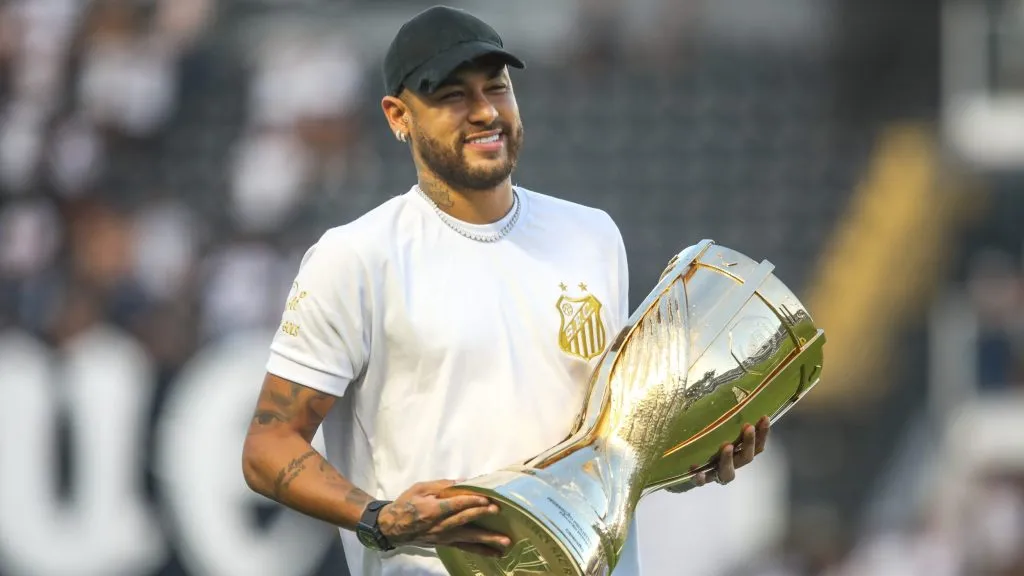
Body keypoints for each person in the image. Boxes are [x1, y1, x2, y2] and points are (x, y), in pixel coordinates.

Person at [240, 6, 770, 576]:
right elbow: (268, 447)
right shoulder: (356, 257)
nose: (486, 111)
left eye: (498, 88)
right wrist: (380, 517)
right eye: (452, 96)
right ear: (398, 116)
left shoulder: (591, 234)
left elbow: (607, 444)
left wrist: (693, 455)